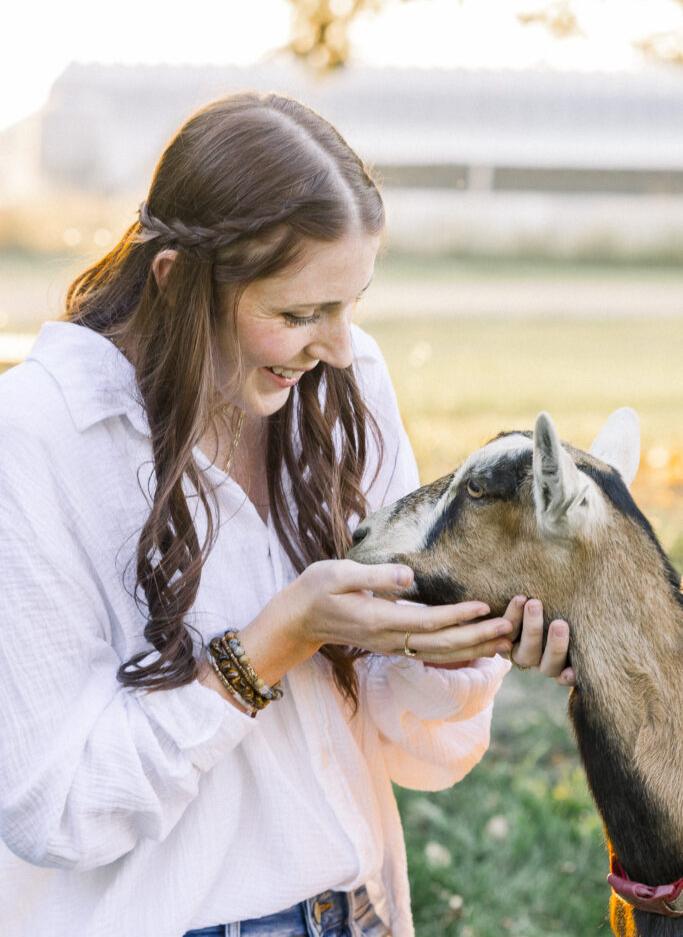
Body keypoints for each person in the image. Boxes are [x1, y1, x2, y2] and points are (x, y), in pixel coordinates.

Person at [0, 92, 574, 937]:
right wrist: (276, 640)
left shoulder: (341, 382)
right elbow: (59, 807)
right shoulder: (41, 435)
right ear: (175, 282)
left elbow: (414, 749)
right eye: (297, 314)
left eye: (352, 304)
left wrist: (460, 637)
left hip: (361, 910)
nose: (341, 346)